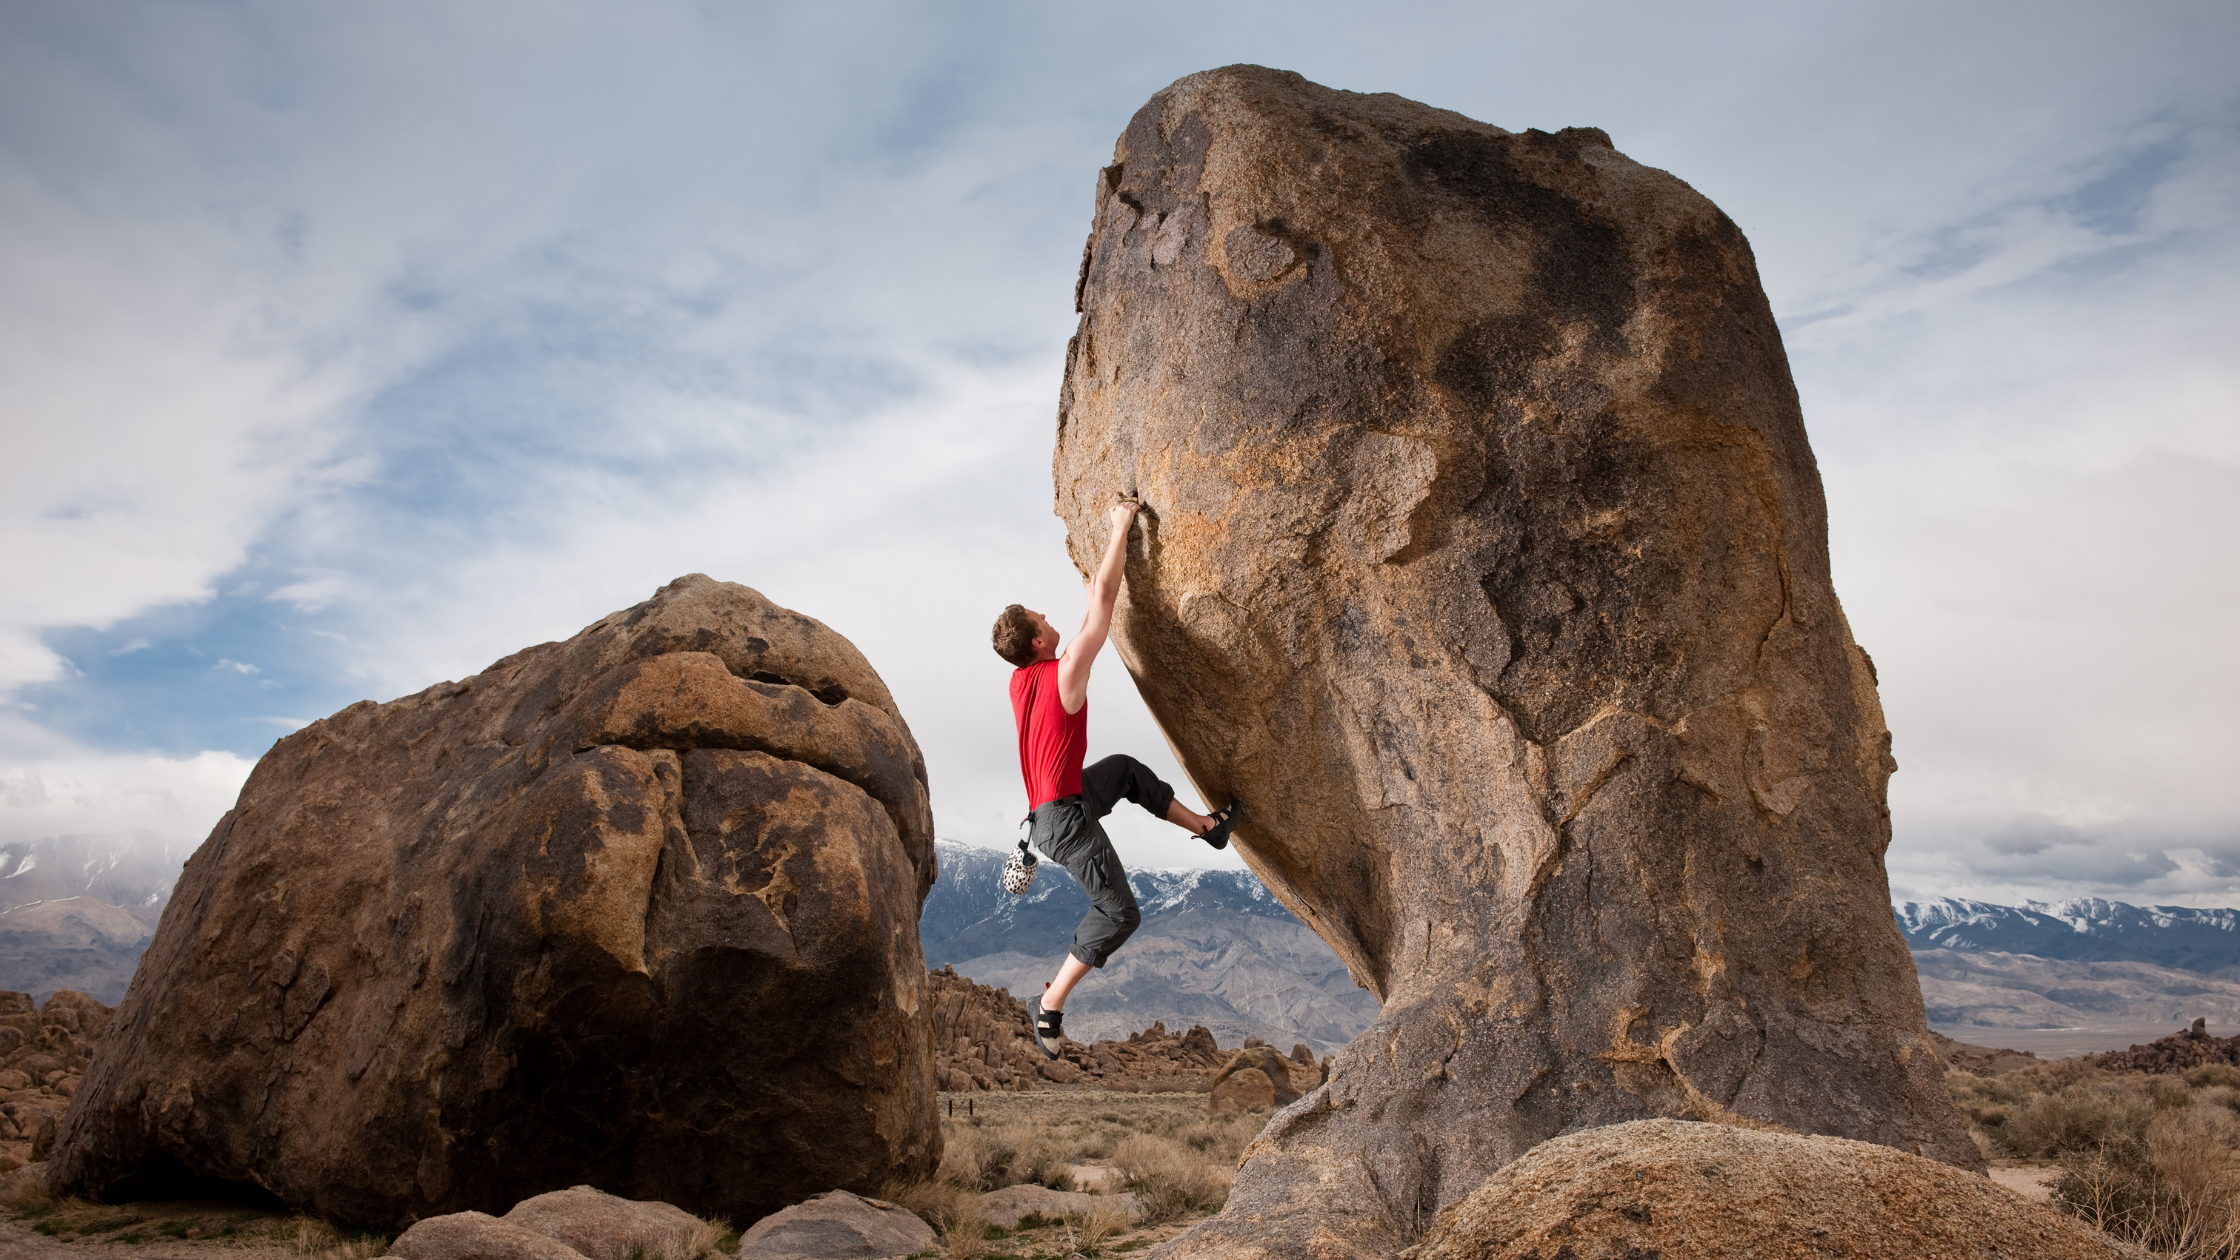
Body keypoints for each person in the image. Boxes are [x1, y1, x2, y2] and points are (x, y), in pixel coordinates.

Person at [990, 497, 1241, 1059]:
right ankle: (1049, 1004)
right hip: (1065, 821)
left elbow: (1081, 625)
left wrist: (1096, 575)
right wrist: (1120, 525)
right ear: (1036, 642)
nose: (1049, 616)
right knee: (1120, 912)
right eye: (1040, 617)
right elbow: (1100, 608)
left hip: (1060, 800)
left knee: (1125, 771)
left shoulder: (1022, 682)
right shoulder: (1064, 673)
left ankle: (1206, 827)